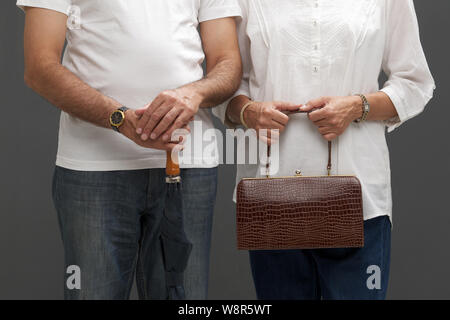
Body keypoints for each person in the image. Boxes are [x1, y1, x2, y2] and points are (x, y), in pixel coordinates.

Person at [18, 0, 242, 300]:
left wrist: (194, 93)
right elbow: (39, 68)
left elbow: (227, 61)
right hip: (94, 167)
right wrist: (121, 120)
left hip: (187, 162)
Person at [216, 0, 435, 300]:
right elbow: (224, 85)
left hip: (360, 203)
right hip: (272, 198)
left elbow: (415, 82)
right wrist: (248, 112)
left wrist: (358, 106)